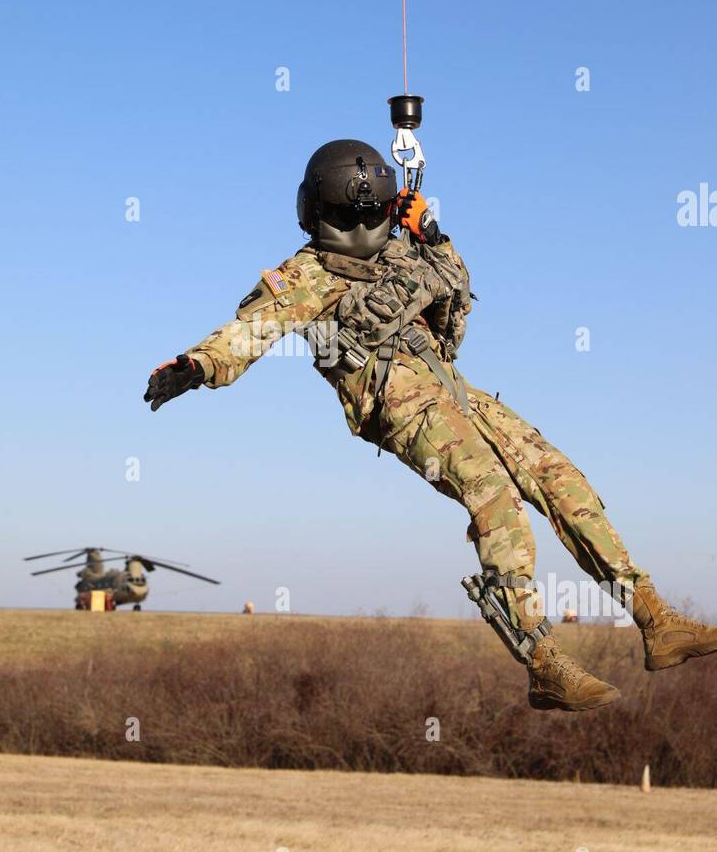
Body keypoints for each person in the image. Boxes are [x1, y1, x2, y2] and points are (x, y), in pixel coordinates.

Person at [144, 138, 717, 710]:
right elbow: (249, 331)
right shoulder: (305, 278)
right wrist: (196, 366)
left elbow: (455, 292)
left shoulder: (402, 253)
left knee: (558, 476)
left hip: (455, 391)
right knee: (496, 501)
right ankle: (543, 662)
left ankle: (656, 619)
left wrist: (433, 236)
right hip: (404, 408)